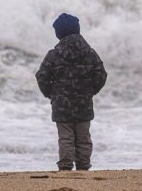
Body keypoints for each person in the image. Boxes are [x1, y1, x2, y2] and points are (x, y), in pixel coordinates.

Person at [36, 13, 107, 171]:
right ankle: (83, 167)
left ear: (58, 33)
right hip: (84, 103)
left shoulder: (54, 54)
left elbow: (42, 76)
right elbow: (101, 74)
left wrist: (51, 94)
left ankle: (66, 167)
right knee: (83, 138)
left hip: (61, 105)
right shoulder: (89, 53)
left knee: (66, 138)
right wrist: (90, 91)